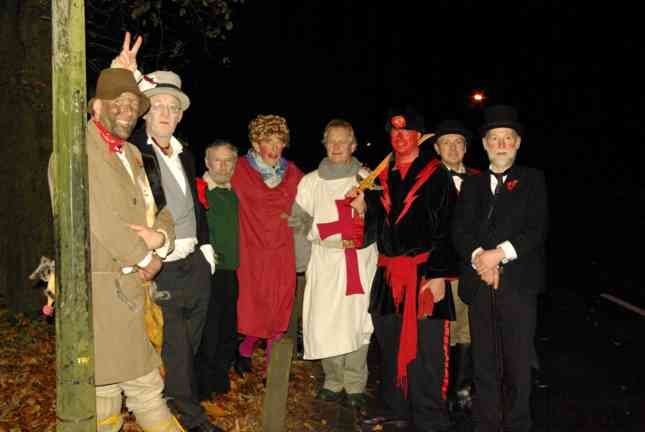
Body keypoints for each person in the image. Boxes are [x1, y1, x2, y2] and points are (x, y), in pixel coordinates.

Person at [49, 67, 183, 432]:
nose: (126, 110)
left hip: (136, 294)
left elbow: (164, 209)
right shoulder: (74, 153)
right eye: (116, 103)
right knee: (132, 388)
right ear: (95, 107)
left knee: (120, 389)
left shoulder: (138, 155)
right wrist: (145, 257)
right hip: (99, 295)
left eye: (132, 104)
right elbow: (95, 218)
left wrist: (162, 239)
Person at [111, 33, 220, 432]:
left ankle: (161, 401)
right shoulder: (133, 150)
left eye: (173, 108)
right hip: (161, 266)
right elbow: (108, 119)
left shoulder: (185, 153)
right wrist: (124, 77)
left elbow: (195, 203)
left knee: (186, 348)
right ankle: (189, 419)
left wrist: (206, 248)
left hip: (194, 264)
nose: (166, 112)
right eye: (157, 105)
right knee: (174, 348)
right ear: (143, 111)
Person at [354, 107, 456, 431]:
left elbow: (448, 227)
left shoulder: (436, 173)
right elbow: (376, 227)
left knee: (426, 351)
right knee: (390, 343)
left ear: (418, 137)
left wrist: (438, 275)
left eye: (406, 131)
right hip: (387, 275)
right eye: (394, 132)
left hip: (423, 274)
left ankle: (430, 418)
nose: (399, 137)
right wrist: (363, 208)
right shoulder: (383, 177)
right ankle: (395, 406)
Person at [452, 105, 548, 432]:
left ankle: (519, 423)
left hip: (519, 285)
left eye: (508, 138)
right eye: (495, 138)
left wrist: (499, 255)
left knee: (518, 362)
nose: (502, 143)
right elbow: (460, 230)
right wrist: (481, 257)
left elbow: (537, 228)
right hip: (480, 285)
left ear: (518, 143)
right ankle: (487, 422)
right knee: (485, 361)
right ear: (485, 145)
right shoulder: (473, 185)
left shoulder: (533, 179)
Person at [294, 119, 378, 409]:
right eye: (332, 141)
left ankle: (355, 382)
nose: (338, 146)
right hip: (324, 258)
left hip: (360, 258)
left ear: (353, 145)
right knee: (325, 320)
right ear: (325, 144)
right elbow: (299, 224)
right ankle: (333, 380)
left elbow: (385, 220)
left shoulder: (367, 178)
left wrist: (367, 208)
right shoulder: (310, 182)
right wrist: (299, 263)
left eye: (344, 141)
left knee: (358, 320)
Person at [232, 114, 304, 374]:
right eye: (267, 141)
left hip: (281, 247)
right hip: (250, 246)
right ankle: (245, 347)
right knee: (253, 300)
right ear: (255, 143)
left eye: (279, 141)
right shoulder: (239, 169)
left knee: (279, 299)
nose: (274, 148)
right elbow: (215, 185)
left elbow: (313, 202)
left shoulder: (294, 174)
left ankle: (274, 363)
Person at [431, 119, 480, 412]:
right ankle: (438, 390)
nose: (452, 147)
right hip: (439, 270)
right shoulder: (425, 180)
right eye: (446, 142)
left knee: (467, 330)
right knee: (440, 331)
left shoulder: (479, 178)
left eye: (458, 142)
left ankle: (461, 390)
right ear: (437, 148)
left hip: (470, 269)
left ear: (466, 148)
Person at [194, 140, 240, 400]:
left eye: (228, 160)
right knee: (207, 332)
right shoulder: (199, 191)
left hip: (230, 272)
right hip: (205, 272)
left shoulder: (235, 193)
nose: (223, 166)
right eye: (217, 160)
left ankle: (219, 382)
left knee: (227, 330)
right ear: (207, 162)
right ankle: (202, 388)